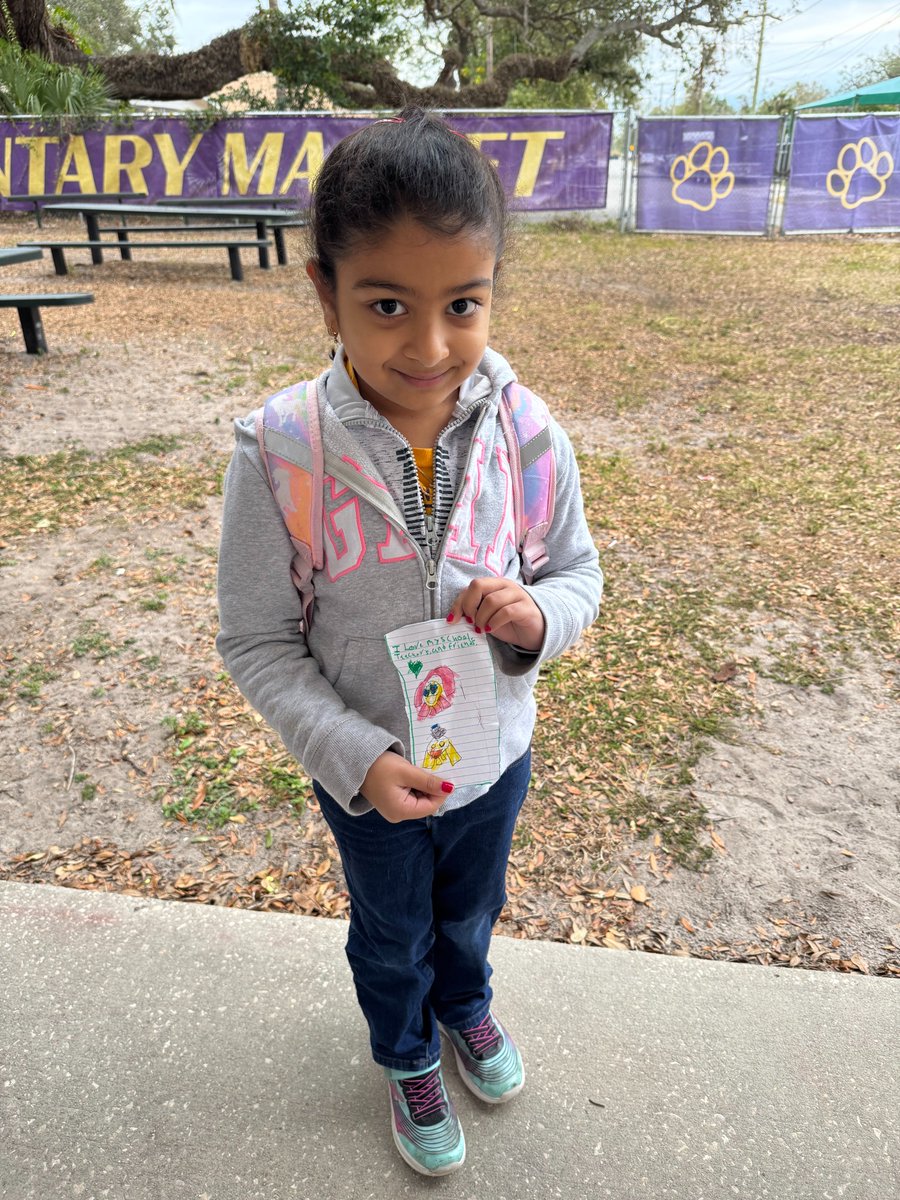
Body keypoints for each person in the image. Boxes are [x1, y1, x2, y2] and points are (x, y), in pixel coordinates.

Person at [216, 106, 602, 1177]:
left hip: (494, 756)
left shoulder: (530, 437)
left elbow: (577, 575)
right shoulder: (279, 451)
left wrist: (537, 623)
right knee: (392, 933)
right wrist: (356, 759)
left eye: (462, 305)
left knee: (472, 910)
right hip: (371, 776)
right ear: (323, 291)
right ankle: (404, 1052)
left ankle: (466, 1006)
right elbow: (253, 640)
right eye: (387, 304)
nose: (428, 346)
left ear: (490, 293)